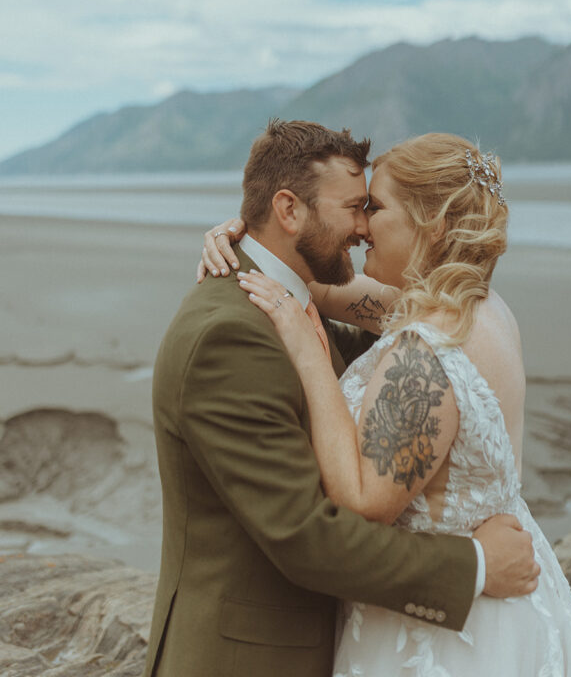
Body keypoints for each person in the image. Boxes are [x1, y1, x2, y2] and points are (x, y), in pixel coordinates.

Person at [145, 120, 539, 677]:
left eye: (372, 209)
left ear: (431, 224)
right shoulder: (230, 335)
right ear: (289, 210)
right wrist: (476, 565)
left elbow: (355, 340)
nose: (361, 228)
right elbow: (309, 534)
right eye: (356, 207)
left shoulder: (319, 309)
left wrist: (246, 239)